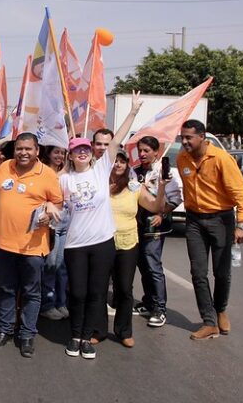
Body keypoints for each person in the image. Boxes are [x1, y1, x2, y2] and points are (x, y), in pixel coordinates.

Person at [60, 92, 142, 360]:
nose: (82, 152)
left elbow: (116, 140)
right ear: (71, 155)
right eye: (77, 150)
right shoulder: (64, 180)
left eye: (86, 149)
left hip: (103, 243)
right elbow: (51, 201)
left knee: (96, 293)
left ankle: (86, 338)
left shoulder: (101, 169)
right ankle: (74, 335)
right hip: (75, 246)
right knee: (78, 293)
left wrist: (132, 111)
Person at [0, 133, 63, 357]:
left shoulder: (47, 174)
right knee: (7, 289)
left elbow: (57, 202)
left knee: (31, 292)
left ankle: (27, 334)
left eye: (28, 149)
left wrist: (49, 210)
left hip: (33, 246)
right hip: (4, 243)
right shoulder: (5, 167)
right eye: (19, 148)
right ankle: (4, 330)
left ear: (37, 151)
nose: (23, 153)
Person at [177, 119, 243, 340]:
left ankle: (220, 311)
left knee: (222, 272)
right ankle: (208, 321)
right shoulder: (182, 159)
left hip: (221, 220)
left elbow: (240, 191)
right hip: (194, 221)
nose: (185, 141)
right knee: (198, 272)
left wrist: (242, 224)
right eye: (183, 137)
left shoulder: (221, 159)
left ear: (202, 137)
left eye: (189, 137)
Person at [109, 150, 165, 348]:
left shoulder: (134, 187)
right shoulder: (100, 185)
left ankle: (124, 331)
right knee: (98, 289)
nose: (117, 165)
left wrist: (162, 187)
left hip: (127, 243)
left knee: (124, 289)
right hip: (102, 243)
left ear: (126, 166)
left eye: (122, 162)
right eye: (114, 161)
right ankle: (97, 330)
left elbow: (154, 206)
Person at [131, 136, 182, 327]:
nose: (142, 154)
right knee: (142, 264)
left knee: (152, 264)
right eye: (140, 150)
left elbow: (176, 198)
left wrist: (162, 213)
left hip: (156, 226)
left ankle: (160, 309)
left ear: (156, 152)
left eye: (146, 151)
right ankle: (148, 302)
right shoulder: (134, 172)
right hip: (137, 225)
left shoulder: (164, 172)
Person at [38, 145, 70, 321]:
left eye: (62, 153)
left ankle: (61, 302)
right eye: (56, 152)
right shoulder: (44, 172)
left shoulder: (69, 173)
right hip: (51, 223)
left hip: (66, 220)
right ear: (48, 153)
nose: (60, 156)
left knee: (61, 266)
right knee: (50, 265)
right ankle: (47, 304)